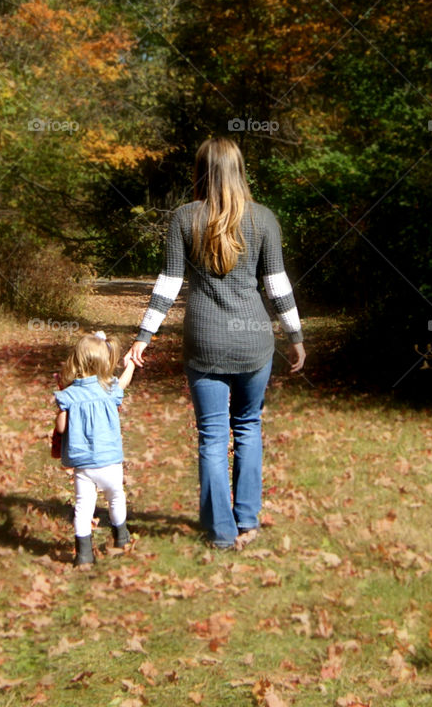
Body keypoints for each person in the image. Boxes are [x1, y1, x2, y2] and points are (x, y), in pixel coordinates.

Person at [127, 137, 305, 549]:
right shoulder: (264, 219)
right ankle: (247, 521)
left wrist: (144, 336)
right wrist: (295, 337)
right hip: (254, 343)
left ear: (201, 171)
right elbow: (278, 287)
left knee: (211, 436)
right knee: (248, 427)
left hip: (204, 342)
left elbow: (168, 284)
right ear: (239, 170)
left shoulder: (184, 217)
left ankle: (220, 533)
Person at [54, 330, 135, 566]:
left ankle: (84, 554)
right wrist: (129, 365)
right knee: (116, 497)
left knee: (83, 507)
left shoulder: (69, 395)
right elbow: (123, 383)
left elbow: (61, 428)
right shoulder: (109, 388)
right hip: (110, 461)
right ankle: (121, 536)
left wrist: (60, 413)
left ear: (77, 361)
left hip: (83, 465)